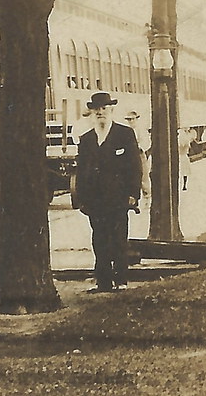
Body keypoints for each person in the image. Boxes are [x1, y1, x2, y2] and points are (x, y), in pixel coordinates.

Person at [74, 91, 142, 293]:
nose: (100, 113)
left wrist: (133, 193)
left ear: (111, 110)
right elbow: (81, 170)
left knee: (119, 237)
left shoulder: (124, 134)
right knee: (99, 239)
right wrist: (81, 198)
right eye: (97, 110)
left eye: (104, 109)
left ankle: (121, 280)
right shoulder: (86, 140)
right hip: (95, 200)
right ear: (92, 112)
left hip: (119, 197)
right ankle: (103, 281)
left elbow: (134, 166)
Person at [126, 110, 151, 198]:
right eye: (129, 120)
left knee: (143, 177)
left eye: (133, 119)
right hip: (129, 156)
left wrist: (138, 147)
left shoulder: (141, 130)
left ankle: (147, 196)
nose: (131, 121)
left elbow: (146, 142)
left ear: (136, 119)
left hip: (139, 155)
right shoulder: (126, 131)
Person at [177, 123, 195, 191]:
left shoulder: (185, 134)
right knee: (184, 171)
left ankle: (183, 185)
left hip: (183, 154)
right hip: (182, 155)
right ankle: (183, 185)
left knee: (183, 171)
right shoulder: (183, 135)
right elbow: (184, 144)